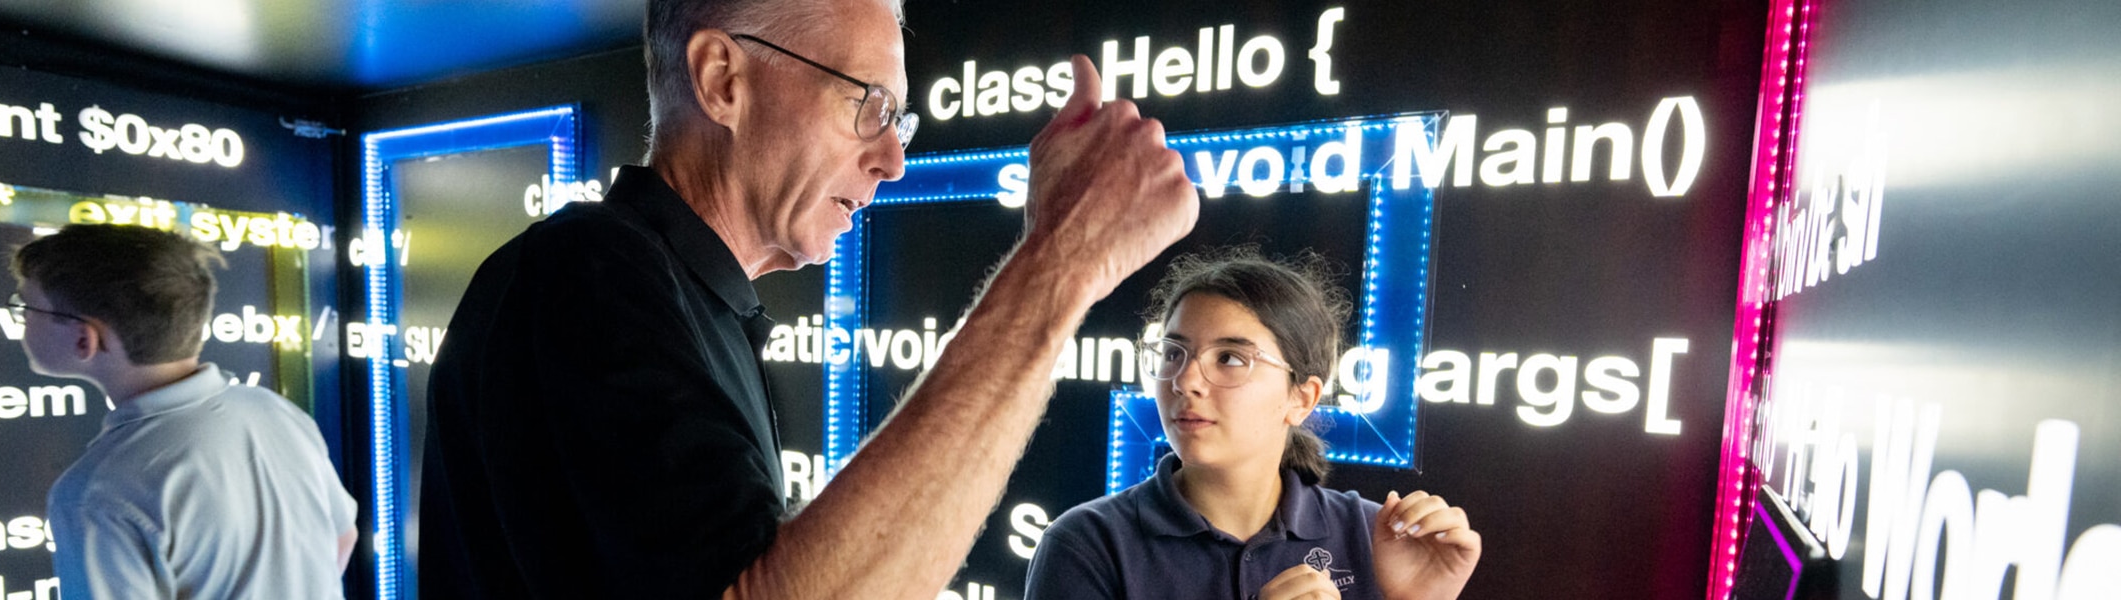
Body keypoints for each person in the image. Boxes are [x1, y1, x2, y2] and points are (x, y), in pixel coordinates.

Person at [417, 0, 1198, 596]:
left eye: (901, 120)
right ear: (724, 80)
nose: (892, 160)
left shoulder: (681, 295)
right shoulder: (586, 272)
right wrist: (1062, 259)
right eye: (869, 105)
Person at [1024, 250, 1481, 600]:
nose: (1185, 381)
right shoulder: (1088, 544)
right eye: (1173, 353)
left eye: (1229, 358)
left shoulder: (1374, 535)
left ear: (1301, 398)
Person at [10, 224, 358, 599]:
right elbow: (342, 538)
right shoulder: (275, 410)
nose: (21, 319)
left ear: (85, 339)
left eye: (26, 307)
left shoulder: (96, 492)